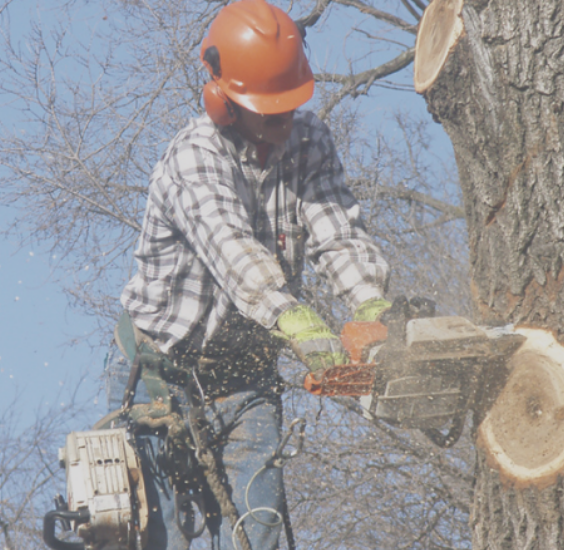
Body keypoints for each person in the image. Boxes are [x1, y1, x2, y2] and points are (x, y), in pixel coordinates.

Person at [109, 0, 392, 547]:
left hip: (246, 376)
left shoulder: (308, 140)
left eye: (289, 106)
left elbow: (336, 228)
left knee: (259, 532)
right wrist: (298, 320)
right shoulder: (193, 158)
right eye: (271, 110)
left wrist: (370, 305)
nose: (284, 123)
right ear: (224, 102)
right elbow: (233, 252)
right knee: (155, 534)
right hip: (160, 371)